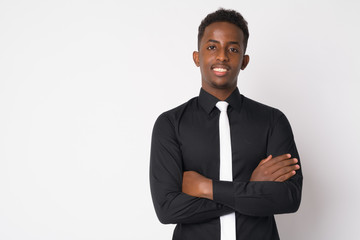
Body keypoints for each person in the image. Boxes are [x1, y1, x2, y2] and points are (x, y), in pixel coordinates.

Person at [149, 8, 302, 240]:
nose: (222, 56)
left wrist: (206, 188)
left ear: (244, 61)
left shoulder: (273, 120)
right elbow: (168, 208)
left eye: (233, 49)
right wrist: (250, 188)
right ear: (197, 57)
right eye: (212, 47)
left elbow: (289, 197)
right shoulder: (170, 124)